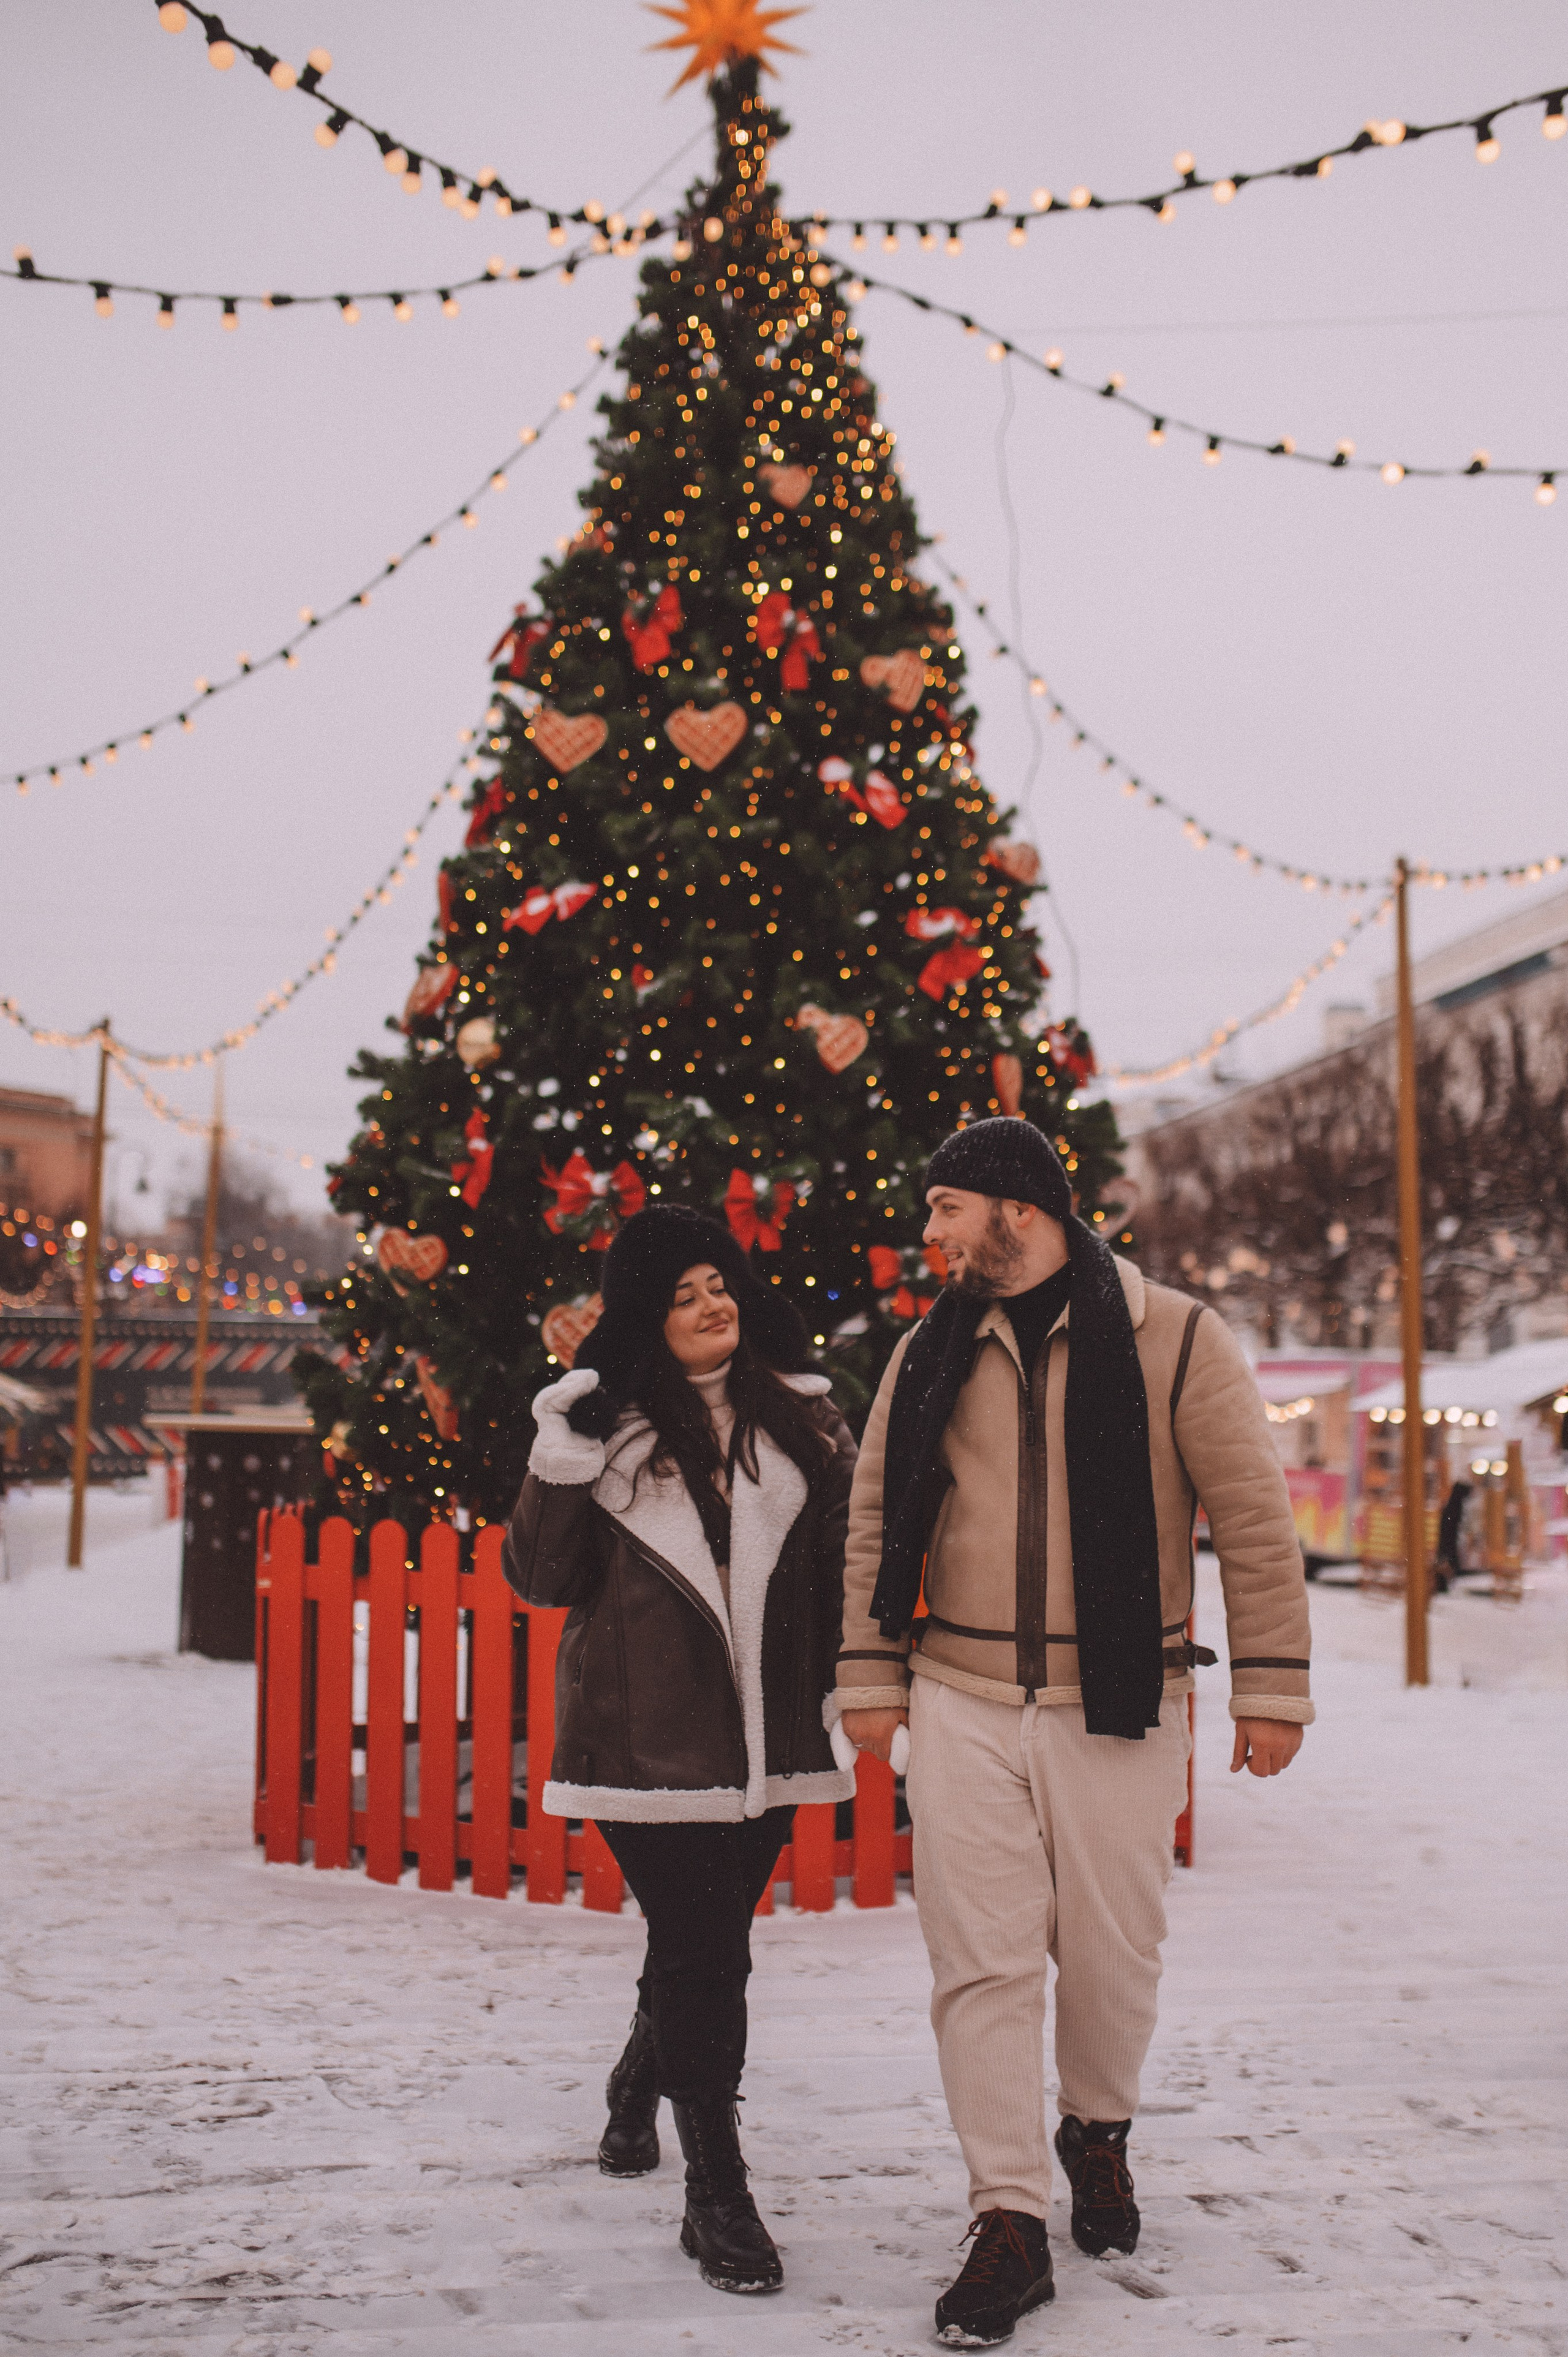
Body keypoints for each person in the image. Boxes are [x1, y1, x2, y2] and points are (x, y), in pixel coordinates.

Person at [834, 1119, 1313, 2348]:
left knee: (1110, 1956)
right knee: (980, 1963)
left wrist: (1270, 1686)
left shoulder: (1175, 1338)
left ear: (1016, 1207)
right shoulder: (926, 1349)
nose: (929, 1233)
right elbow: (876, 1513)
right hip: (960, 1698)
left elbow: (1252, 1521)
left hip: (1120, 1701)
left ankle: (1094, 2131)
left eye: (946, 1208)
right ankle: (1006, 2215)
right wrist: (869, 1674)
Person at [503, 1204, 856, 2296]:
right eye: (685, 1294)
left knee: (698, 1944)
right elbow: (538, 1578)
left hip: (771, 1741)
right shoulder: (601, 1433)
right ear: (646, 1320)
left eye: (722, 1286)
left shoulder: (806, 1422)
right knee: (712, 1951)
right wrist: (560, 1450)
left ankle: (635, 2084)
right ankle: (719, 2194)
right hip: (643, 1745)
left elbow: (850, 1564)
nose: (713, 1308)